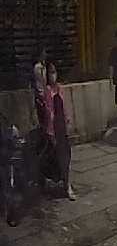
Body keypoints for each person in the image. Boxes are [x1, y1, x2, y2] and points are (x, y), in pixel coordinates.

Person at [40, 63, 74, 199]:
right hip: (54, 128)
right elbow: (49, 113)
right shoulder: (48, 91)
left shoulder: (60, 89)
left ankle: (67, 185)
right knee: (57, 158)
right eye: (50, 73)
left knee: (66, 157)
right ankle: (60, 183)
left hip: (62, 127)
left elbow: (65, 108)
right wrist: (51, 133)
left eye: (54, 72)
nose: (53, 75)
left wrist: (68, 123)